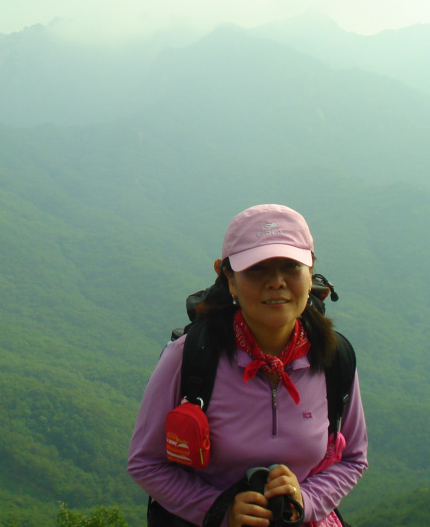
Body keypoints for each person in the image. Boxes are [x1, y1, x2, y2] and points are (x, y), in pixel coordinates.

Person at [128, 204, 367, 527]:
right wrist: (219, 511)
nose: (277, 282)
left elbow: (352, 458)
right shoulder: (190, 357)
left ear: (310, 274)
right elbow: (146, 463)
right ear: (228, 278)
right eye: (257, 269)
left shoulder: (332, 357)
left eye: (291, 267)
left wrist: (306, 501)